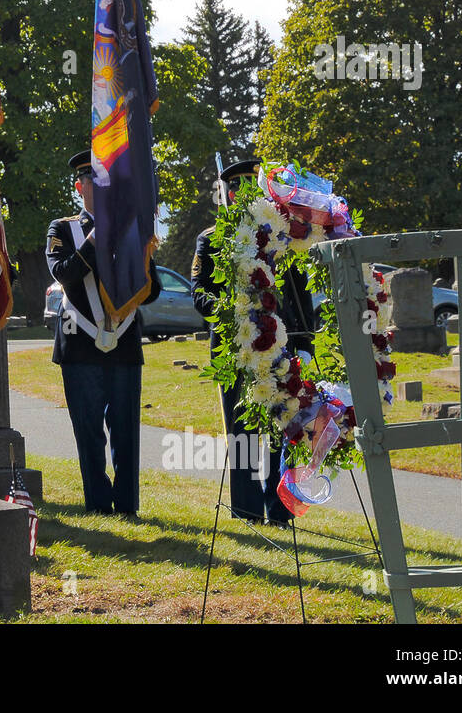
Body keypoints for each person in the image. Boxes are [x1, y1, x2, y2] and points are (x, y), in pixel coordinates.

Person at [190, 158, 317, 523]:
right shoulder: (211, 238)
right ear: (228, 195)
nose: (244, 197)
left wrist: (306, 342)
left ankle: (280, 510)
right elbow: (200, 292)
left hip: (281, 342)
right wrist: (230, 312)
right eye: (237, 190)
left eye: (251, 189)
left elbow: (298, 294)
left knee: (285, 426)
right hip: (235, 348)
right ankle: (246, 511)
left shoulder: (281, 234)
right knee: (242, 432)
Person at [46, 151, 162, 515]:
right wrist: (96, 240)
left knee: (126, 431)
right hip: (79, 343)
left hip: (124, 341)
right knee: (89, 432)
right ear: (80, 187)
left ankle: (127, 505)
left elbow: (153, 288)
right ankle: (97, 504)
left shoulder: (130, 226)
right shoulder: (62, 228)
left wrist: (136, 252)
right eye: (93, 182)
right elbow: (63, 273)